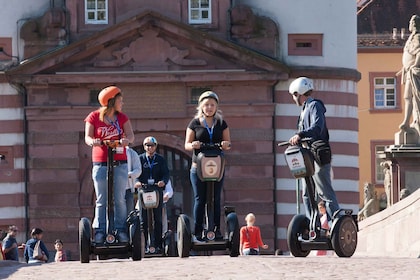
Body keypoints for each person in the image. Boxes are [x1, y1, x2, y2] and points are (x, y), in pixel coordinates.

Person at [84, 85, 135, 244]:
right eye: (120, 100)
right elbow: (87, 137)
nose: (122, 103)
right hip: (100, 162)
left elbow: (131, 136)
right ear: (111, 101)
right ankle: (100, 231)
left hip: (119, 161)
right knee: (101, 199)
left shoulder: (122, 118)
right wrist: (93, 141)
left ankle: (120, 230)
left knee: (119, 198)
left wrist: (126, 140)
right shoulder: (94, 117)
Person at [288, 77, 340, 221]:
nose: (293, 98)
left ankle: (335, 221)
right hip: (306, 155)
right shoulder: (304, 110)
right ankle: (313, 225)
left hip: (318, 153)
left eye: (294, 95)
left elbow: (317, 128)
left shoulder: (315, 106)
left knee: (324, 192)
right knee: (307, 193)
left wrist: (300, 134)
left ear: (299, 93)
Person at [184, 91, 232, 242]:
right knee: (200, 199)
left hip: (216, 166)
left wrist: (225, 144)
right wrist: (193, 144)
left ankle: (216, 230)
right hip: (198, 167)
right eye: (206, 105)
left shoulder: (221, 123)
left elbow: (228, 143)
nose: (209, 108)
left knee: (216, 198)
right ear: (201, 107)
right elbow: (186, 144)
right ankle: (198, 232)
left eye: (212, 105)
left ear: (216, 106)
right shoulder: (194, 123)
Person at [135, 136, 170, 254]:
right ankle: (146, 245)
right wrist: (137, 182)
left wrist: (163, 182)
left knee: (158, 219)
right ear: (144, 147)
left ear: (155, 146)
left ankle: (158, 245)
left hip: (157, 190)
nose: (149, 147)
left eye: (152, 145)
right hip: (143, 191)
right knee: (143, 220)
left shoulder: (160, 159)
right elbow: (136, 173)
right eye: (147, 145)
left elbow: (166, 174)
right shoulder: (139, 159)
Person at [399, 15, 420, 134]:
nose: (412, 24)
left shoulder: (417, 37)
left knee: (412, 97)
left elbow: (419, 52)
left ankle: (410, 121)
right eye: (412, 22)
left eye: (414, 22)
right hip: (408, 71)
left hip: (414, 73)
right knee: (408, 97)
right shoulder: (412, 37)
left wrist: (415, 65)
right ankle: (408, 121)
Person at [125, 146, 142, 214]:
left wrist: (129, 175)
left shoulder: (131, 153)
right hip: (114, 189)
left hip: (127, 188)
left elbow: (138, 170)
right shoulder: (111, 151)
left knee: (129, 213)